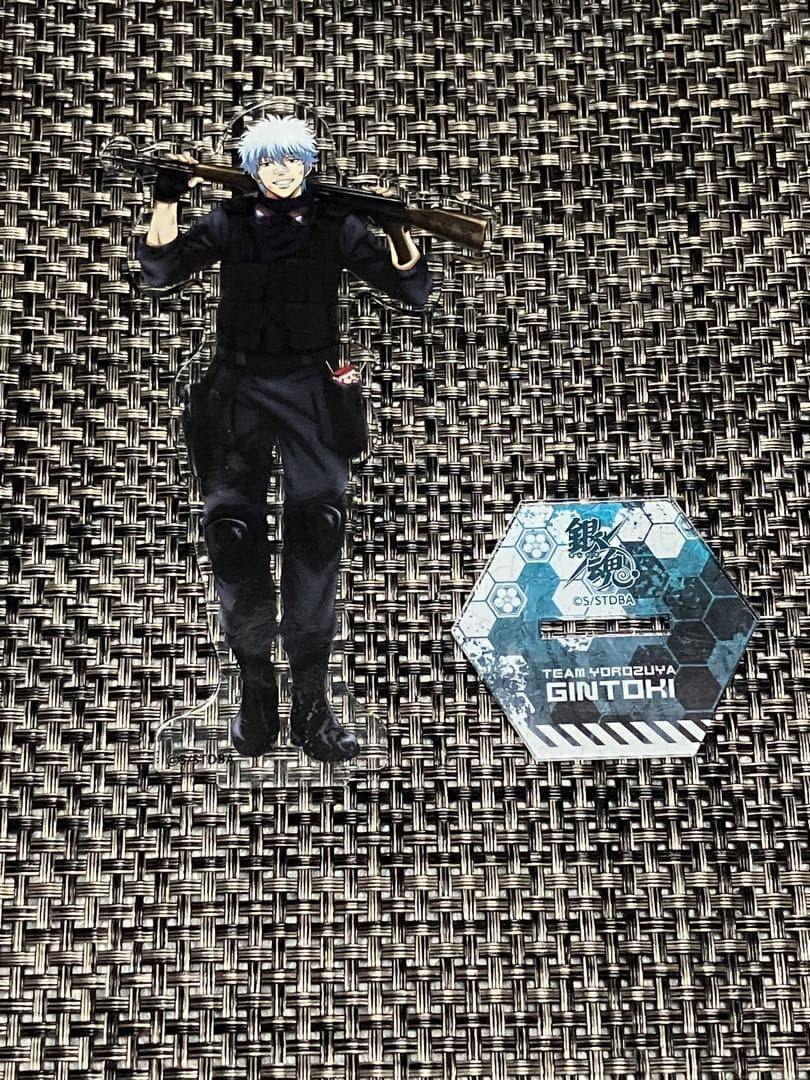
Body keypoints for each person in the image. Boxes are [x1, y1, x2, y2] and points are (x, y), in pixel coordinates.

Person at [138, 115, 433, 763]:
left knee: (319, 529)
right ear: (251, 168)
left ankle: (312, 706)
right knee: (231, 534)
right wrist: (166, 201)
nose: (280, 172)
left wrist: (396, 227)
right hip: (236, 388)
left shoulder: (337, 225)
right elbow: (160, 271)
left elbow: (412, 290)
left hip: (312, 389)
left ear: (308, 164)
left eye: (292, 161)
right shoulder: (229, 222)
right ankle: (254, 693)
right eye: (268, 162)